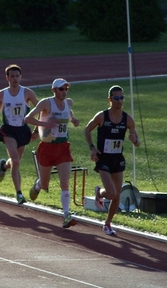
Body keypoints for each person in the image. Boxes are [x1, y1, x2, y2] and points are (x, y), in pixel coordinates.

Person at [84, 85, 140, 236]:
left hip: (117, 159)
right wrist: (92, 148)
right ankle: (100, 193)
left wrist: (135, 140)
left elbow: (137, 140)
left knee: (116, 196)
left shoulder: (128, 119)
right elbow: (87, 129)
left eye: (122, 98)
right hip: (103, 158)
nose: (120, 101)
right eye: (116, 98)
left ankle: (107, 224)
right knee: (111, 192)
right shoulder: (102, 116)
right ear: (110, 99)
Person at [24, 78, 80, 228]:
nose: (64, 91)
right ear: (54, 90)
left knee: (64, 182)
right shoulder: (46, 103)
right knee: (44, 184)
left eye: (66, 89)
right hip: (47, 148)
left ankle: (66, 215)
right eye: (61, 89)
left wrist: (73, 119)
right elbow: (27, 118)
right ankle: (37, 186)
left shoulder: (68, 103)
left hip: (63, 147)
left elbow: (68, 112)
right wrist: (44, 124)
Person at [0, 64, 38, 204]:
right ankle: (19, 194)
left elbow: (41, 110)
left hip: (23, 130)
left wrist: (36, 130)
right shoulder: (1, 93)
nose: (15, 79)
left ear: (21, 77)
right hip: (8, 130)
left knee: (15, 162)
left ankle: (4, 166)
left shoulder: (27, 93)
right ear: (7, 78)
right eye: (12, 76)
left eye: (17, 76)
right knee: (16, 161)